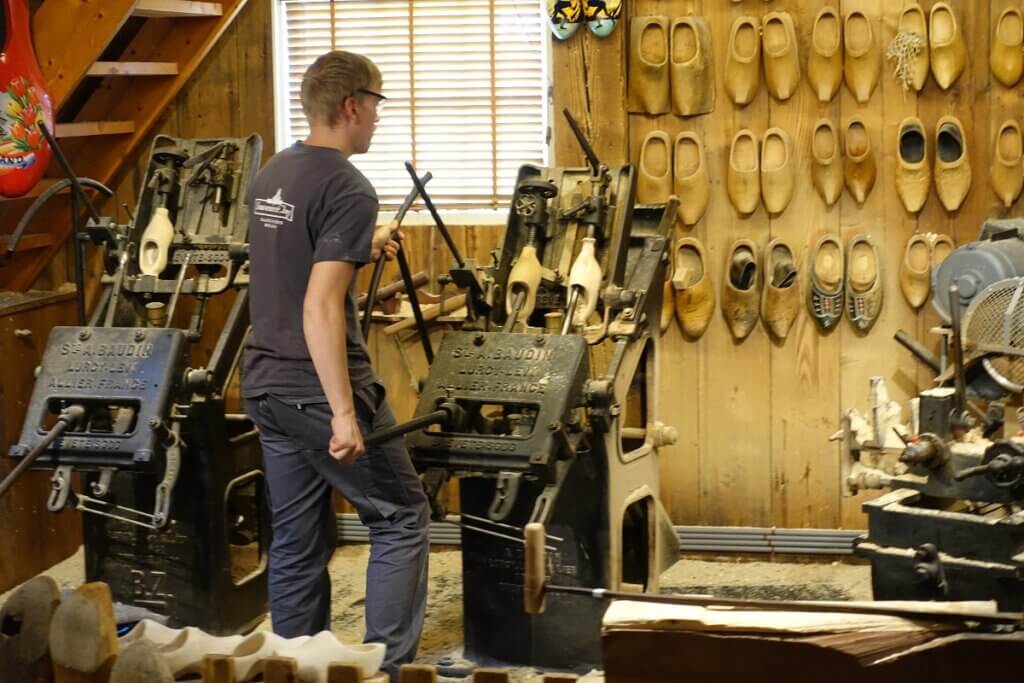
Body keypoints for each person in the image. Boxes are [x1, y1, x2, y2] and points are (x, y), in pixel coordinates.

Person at [241, 50, 430, 680]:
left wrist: (361, 240)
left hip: (266, 386)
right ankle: (384, 670)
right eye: (376, 104)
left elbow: (292, 256)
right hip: (318, 390)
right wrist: (345, 414)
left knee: (296, 541)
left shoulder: (274, 173)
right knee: (400, 516)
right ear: (352, 105)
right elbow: (320, 307)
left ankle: (298, 670)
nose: (378, 117)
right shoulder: (349, 185)